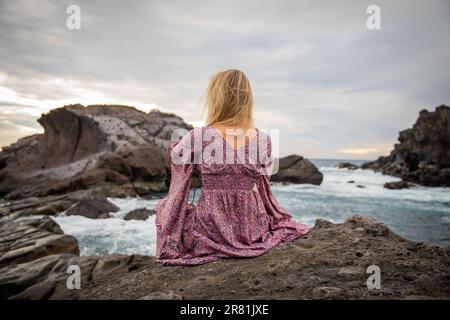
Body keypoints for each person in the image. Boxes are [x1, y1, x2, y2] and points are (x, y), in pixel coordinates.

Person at [156, 69, 309, 266]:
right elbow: (263, 180)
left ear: (217, 98)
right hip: (253, 227)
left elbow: (176, 157)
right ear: (247, 100)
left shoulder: (199, 135)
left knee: (163, 208)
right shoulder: (264, 139)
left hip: (212, 229)